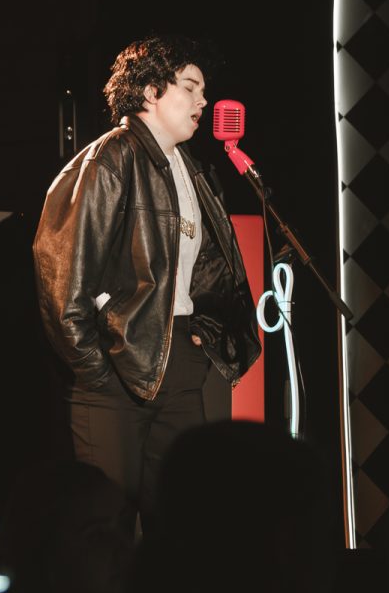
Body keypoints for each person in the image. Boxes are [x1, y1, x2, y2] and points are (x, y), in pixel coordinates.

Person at [32, 35, 260, 534]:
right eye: (190, 87)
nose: (204, 101)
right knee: (107, 526)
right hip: (116, 368)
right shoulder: (109, 159)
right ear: (152, 91)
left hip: (178, 366)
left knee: (183, 526)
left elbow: (206, 270)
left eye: (204, 91)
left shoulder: (192, 170)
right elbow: (60, 274)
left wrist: (202, 337)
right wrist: (96, 371)